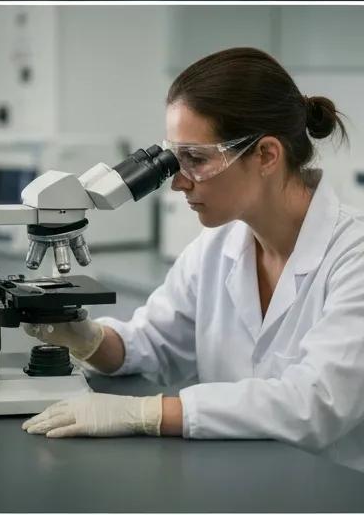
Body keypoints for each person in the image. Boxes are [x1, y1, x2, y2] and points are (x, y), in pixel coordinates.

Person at [22, 47, 364, 472]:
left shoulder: (353, 255)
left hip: (330, 487)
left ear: (266, 155)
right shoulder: (216, 247)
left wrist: (147, 414)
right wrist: (87, 339)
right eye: (175, 158)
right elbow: (152, 344)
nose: (178, 182)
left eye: (196, 159)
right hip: (231, 477)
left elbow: (317, 403)